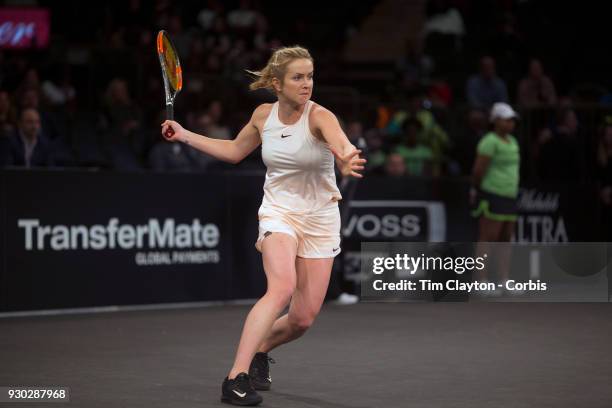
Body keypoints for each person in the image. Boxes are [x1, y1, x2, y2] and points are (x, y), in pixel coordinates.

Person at [160, 46, 365, 406]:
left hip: (320, 219)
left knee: (302, 319)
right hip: (278, 212)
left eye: (310, 76)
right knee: (281, 287)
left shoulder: (320, 116)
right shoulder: (262, 115)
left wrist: (346, 158)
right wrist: (185, 134)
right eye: (298, 77)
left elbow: (342, 144)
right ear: (277, 83)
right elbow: (235, 151)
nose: (306, 84)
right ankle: (235, 378)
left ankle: (260, 349)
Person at [470, 102, 520, 296]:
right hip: (491, 194)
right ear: (496, 121)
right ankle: (480, 281)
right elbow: (478, 170)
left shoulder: (513, 141)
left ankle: (504, 280)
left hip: (510, 195)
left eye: (512, 120)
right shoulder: (489, 141)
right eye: (507, 120)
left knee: (506, 238)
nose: (511, 123)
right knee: (487, 238)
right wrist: (477, 190)